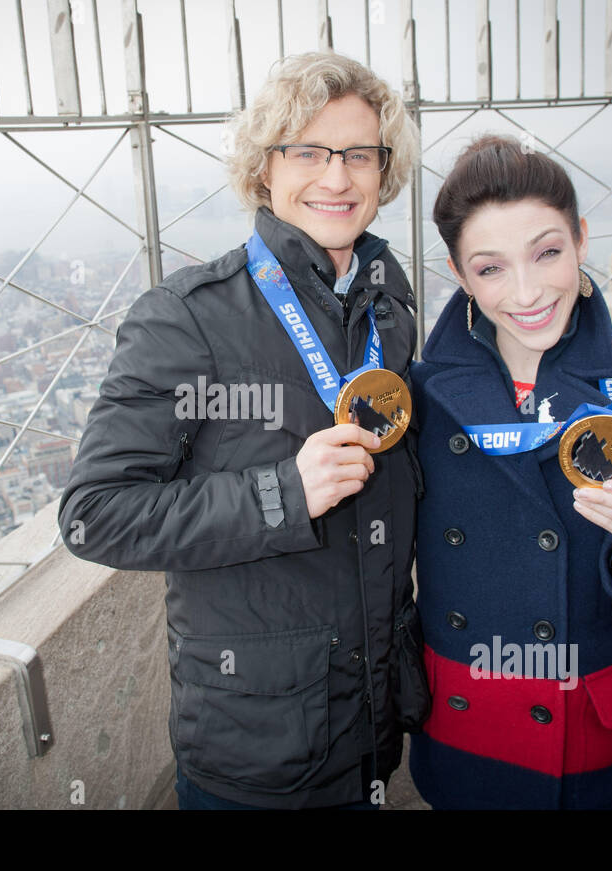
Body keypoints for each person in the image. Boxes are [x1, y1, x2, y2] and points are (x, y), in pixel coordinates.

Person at [57, 52, 422, 809]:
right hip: (257, 750)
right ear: (264, 169)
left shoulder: (390, 306)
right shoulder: (187, 317)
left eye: (359, 154)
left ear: (384, 172)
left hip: (374, 727)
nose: (336, 177)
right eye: (308, 152)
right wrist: (284, 493)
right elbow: (95, 515)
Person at [409, 134, 612, 809]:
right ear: (460, 276)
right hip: (464, 721)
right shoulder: (417, 402)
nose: (527, 290)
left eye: (547, 252)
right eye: (490, 268)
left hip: (584, 740)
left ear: (581, 239)